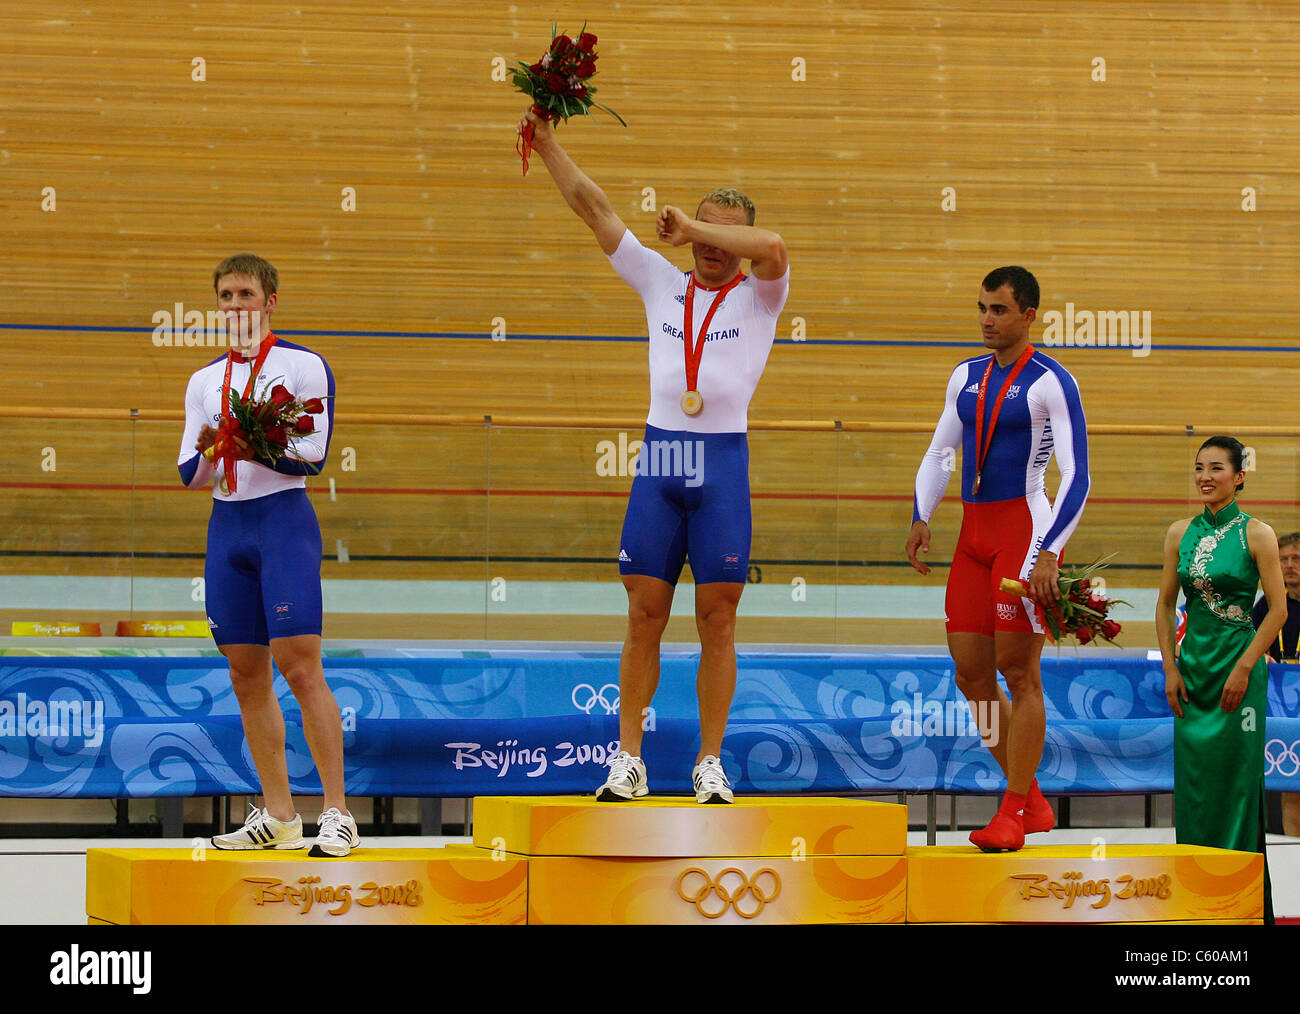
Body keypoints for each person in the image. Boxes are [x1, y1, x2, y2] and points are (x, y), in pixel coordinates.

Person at [518, 107, 789, 804]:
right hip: (664, 462)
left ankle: (708, 761)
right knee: (644, 616)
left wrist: (695, 226)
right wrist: (547, 143)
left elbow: (777, 245)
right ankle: (628, 758)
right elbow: (594, 206)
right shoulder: (661, 284)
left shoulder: (762, 296)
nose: (707, 246)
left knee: (718, 621)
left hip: (723, 463)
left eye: (723, 234)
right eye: (700, 230)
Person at [177, 253, 357, 857]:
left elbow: (313, 455)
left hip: (282, 520)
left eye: (246, 294)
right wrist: (214, 446)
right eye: (226, 295)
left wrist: (250, 441)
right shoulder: (204, 381)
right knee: (244, 674)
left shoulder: (303, 366)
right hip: (227, 528)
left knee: (301, 668)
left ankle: (336, 812)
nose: (235, 306)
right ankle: (279, 814)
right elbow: (188, 475)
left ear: (270, 300)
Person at [906, 267, 1089, 852]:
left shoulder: (1051, 381)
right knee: (971, 674)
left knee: (1019, 672)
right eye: (982, 308)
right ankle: (1031, 797)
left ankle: (1011, 812)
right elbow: (940, 451)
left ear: (1029, 315)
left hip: (1023, 533)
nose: (987, 319)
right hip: (972, 536)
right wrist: (922, 514)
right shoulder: (965, 374)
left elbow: (1077, 475)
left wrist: (1050, 553)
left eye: (999, 310)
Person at [1154, 437, 1285, 926]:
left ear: (1239, 476)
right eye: (1199, 467)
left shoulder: (1259, 533)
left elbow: (1278, 609)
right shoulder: (1178, 532)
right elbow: (1166, 603)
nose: (1205, 476)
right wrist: (1170, 666)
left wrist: (1246, 666)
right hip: (1194, 675)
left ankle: (1242, 906)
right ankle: (1197, 901)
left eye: (1216, 468)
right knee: (1196, 787)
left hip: (1241, 672)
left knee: (1239, 786)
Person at [1251, 531, 1300, 836]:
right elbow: (1247, 645)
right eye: (1283, 559)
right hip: (1283, 708)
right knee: (1292, 788)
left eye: (1296, 559)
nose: (1289, 565)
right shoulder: (1267, 604)